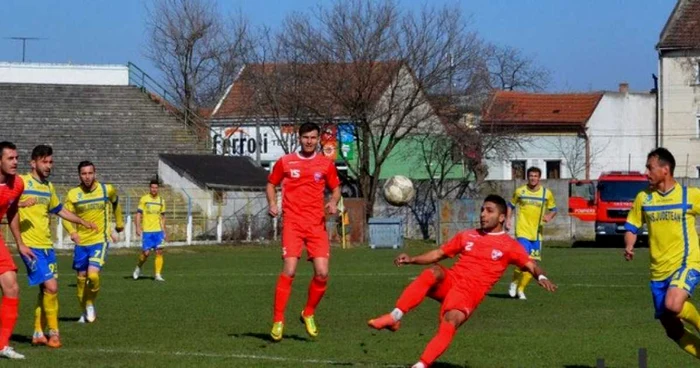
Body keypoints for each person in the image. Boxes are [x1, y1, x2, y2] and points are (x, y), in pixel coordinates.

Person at [368, 194, 557, 368]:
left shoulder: (509, 245)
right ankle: (394, 317)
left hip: (468, 294)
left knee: (451, 320)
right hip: (452, 281)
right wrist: (412, 259)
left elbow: (531, 265)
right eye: (482, 210)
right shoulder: (468, 235)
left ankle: (421, 365)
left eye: (489, 211)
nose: (483, 214)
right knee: (433, 271)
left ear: (501, 218)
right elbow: (439, 253)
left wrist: (541, 276)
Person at [266, 122, 341, 341]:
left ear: (319, 140)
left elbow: (336, 189)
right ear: (299, 138)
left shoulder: (325, 164)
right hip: (293, 224)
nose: (309, 141)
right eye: (306, 137)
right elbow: (271, 183)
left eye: (313, 138)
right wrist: (273, 203)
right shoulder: (286, 162)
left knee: (322, 273)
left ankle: (308, 312)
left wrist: (333, 202)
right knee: (289, 270)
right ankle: (278, 320)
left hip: (316, 225)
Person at [17, 145, 96, 348]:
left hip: (47, 246)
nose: (49, 166)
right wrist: (19, 204)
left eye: (51, 162)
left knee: (46, 290)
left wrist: (82, 222)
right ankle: (54, 334)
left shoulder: (48, 187)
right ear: (33, 163)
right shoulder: (20, 182)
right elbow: (4, 201)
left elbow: (59, 210)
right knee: (51, 287)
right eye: (44, 162)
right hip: (30, 246)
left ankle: (37, 333)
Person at [625, 148, 700, 359]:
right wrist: (629, 244)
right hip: (658, 272)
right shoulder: (644, 198)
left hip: (687, 263)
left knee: (673, 304)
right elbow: (632, 226)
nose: (646, 172)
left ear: (665, 169)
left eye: (650, 167)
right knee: (673, 330)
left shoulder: (689, 195)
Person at [63, 161, 124, 323]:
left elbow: (116, 203)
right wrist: (73, 232)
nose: (87, 177)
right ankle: (83, 312)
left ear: (95, 173)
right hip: (81, 243)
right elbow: (65, 217)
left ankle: (90, 304)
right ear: (79, 175)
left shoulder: (106, 189)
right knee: (81, 278)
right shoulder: (73, 194)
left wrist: (119, 224)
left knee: (93, 275)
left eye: (90, 173)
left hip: (99, 240)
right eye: (84, 174)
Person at [0, 142, 31, 359]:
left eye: (17, 158)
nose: (15, 162)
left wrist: (20, 242)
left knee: (12, 288)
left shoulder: (18, 184)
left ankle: (2, 345)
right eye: (10, 158)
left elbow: (12, 212)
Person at [506, 166, 557, 300]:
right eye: (531, 176)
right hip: (522, 232)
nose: (533, 178)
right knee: (523, 261)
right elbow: (510, 205)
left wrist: (549, 216)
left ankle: (521, 290)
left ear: (539, 178)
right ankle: (514, 283)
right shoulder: (520, 191)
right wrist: (508, 219)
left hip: (537, 234)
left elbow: (554, 209)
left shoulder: (546, 193)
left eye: (535, 176)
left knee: (533, 264)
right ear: (527, 177)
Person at [132, 179, 167, 281]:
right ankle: (138, 267)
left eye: (156, 188)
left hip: (158, 231)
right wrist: (138, 227)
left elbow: (163, 216)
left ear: (158, 188)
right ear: (150, 188)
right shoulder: (144, 199)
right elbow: (138, 214)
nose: (154, 189)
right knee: (146, 253)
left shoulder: (161, 201)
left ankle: (157, 275)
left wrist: (164, 230)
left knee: (159, 252)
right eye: (152, 187)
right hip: (147, 231)